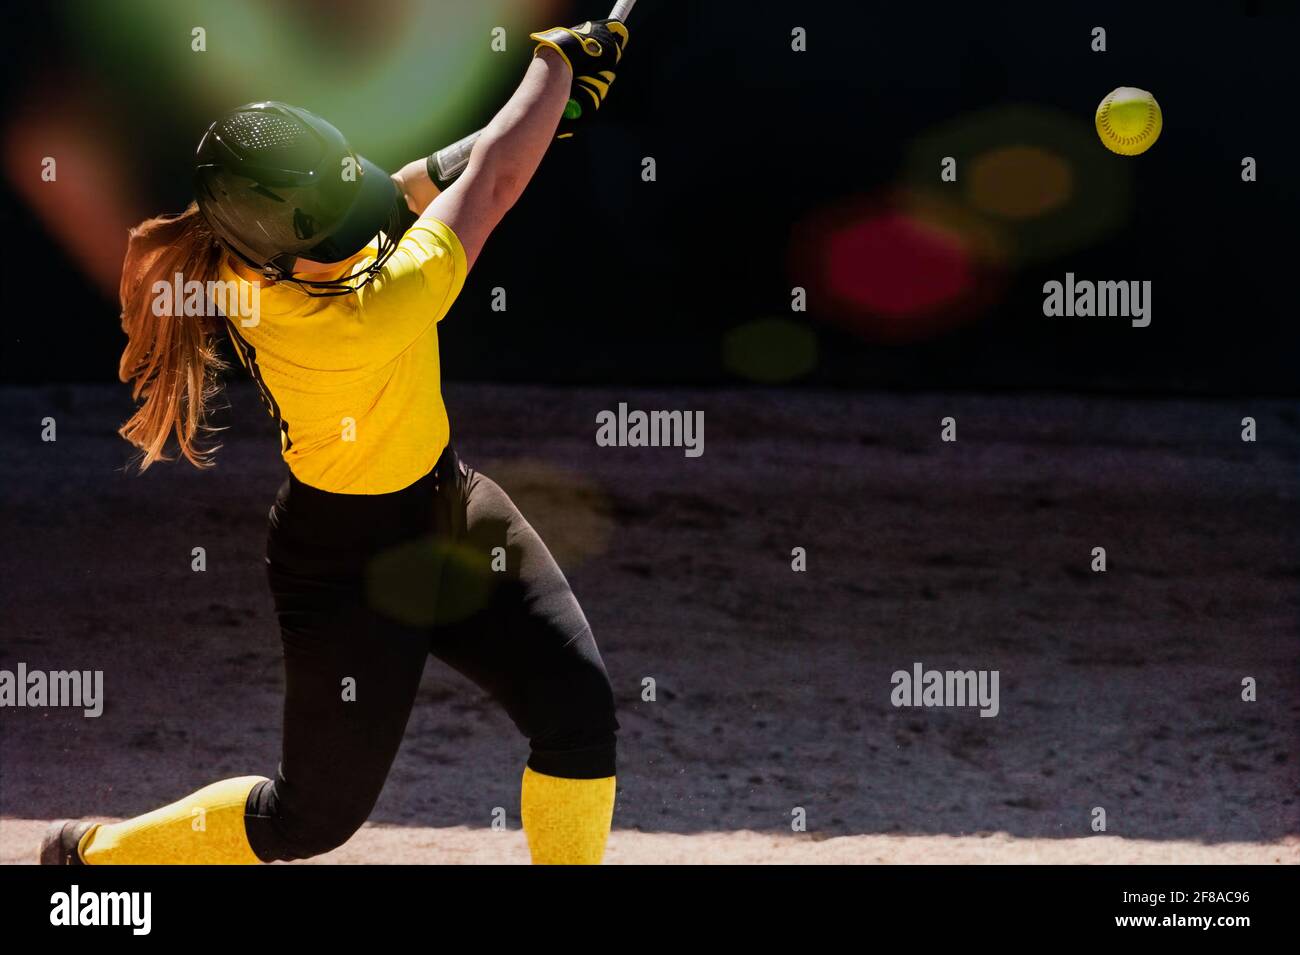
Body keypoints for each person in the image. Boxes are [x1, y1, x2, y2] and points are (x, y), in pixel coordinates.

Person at [40, 18, 631, 866]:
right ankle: (91, 854)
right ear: (277, 255)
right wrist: (555, 65)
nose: (360, 235)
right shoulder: (357, 314)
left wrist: (546, 112)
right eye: (333, 234)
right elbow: (493, 183)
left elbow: (409, 187)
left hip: (452, 507)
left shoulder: (260, 250)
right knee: (306, 819)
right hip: (348, 562)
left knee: (578, 717)